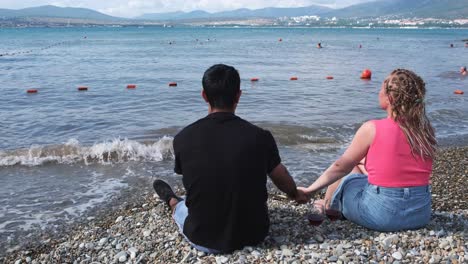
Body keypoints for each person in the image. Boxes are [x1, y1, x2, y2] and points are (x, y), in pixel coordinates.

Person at [153, 64, 307, 254]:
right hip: (255, 234)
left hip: (202, 237)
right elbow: (280, 176)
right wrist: (294, 194)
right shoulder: (260, 137)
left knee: (182, 207)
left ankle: (172, 201)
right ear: (238, 96)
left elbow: (195, 177)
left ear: (204, 95)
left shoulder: (183, 138)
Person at [298, 69, 437, 232]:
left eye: (380, 89)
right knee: (358, 166)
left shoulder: (372, 128)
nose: (378, 93)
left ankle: (327, 205)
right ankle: (330, 203)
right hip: (420, 214)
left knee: (347, 178)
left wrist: (309, 190)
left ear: (390, 97)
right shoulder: (425, 130)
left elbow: (340, 167)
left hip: (382, 215)